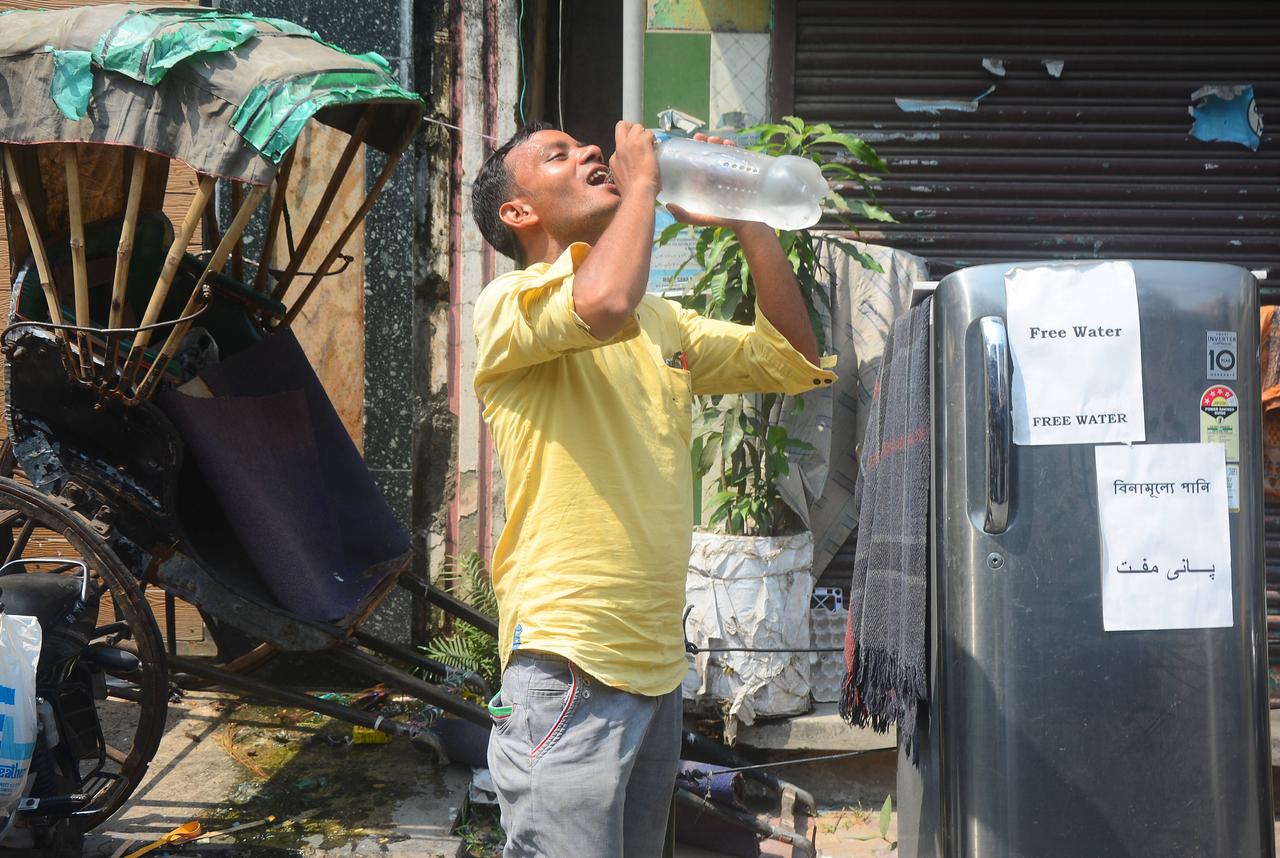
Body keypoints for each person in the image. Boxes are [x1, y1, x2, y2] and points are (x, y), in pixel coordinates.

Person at [470, 119, 836, 857]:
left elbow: (789, 359)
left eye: (589, 147)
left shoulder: (658, 319)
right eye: (560, 155)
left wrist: (749, 217)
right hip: (567, 663)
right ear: (519, 212)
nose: (592, 154)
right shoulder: (509, 305)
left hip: (656, 669)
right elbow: (597, 304)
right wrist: (642, 184)